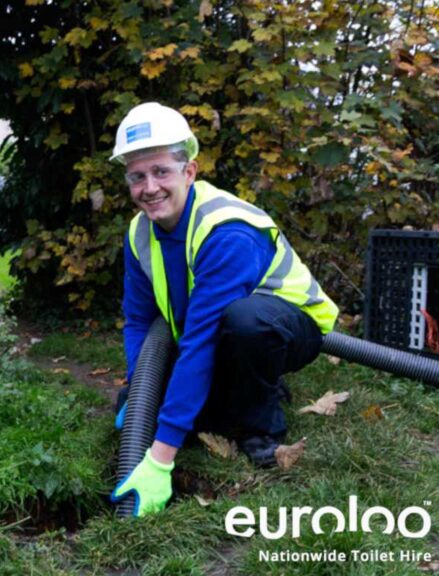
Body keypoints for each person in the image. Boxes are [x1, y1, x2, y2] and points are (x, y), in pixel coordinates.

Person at [109, 102, 339, 517]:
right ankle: (234, 393)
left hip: (287, 328)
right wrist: (141, 389)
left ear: (189, 172)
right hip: (216, 330)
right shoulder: (140, 232)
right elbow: (141, 320)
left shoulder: (226, 230)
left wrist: (161, 459)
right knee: (201, 379)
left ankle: (260, 429)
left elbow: (201, 342)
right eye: (137, 176)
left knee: (244, 325)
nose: (149, 187)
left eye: (161, 171)